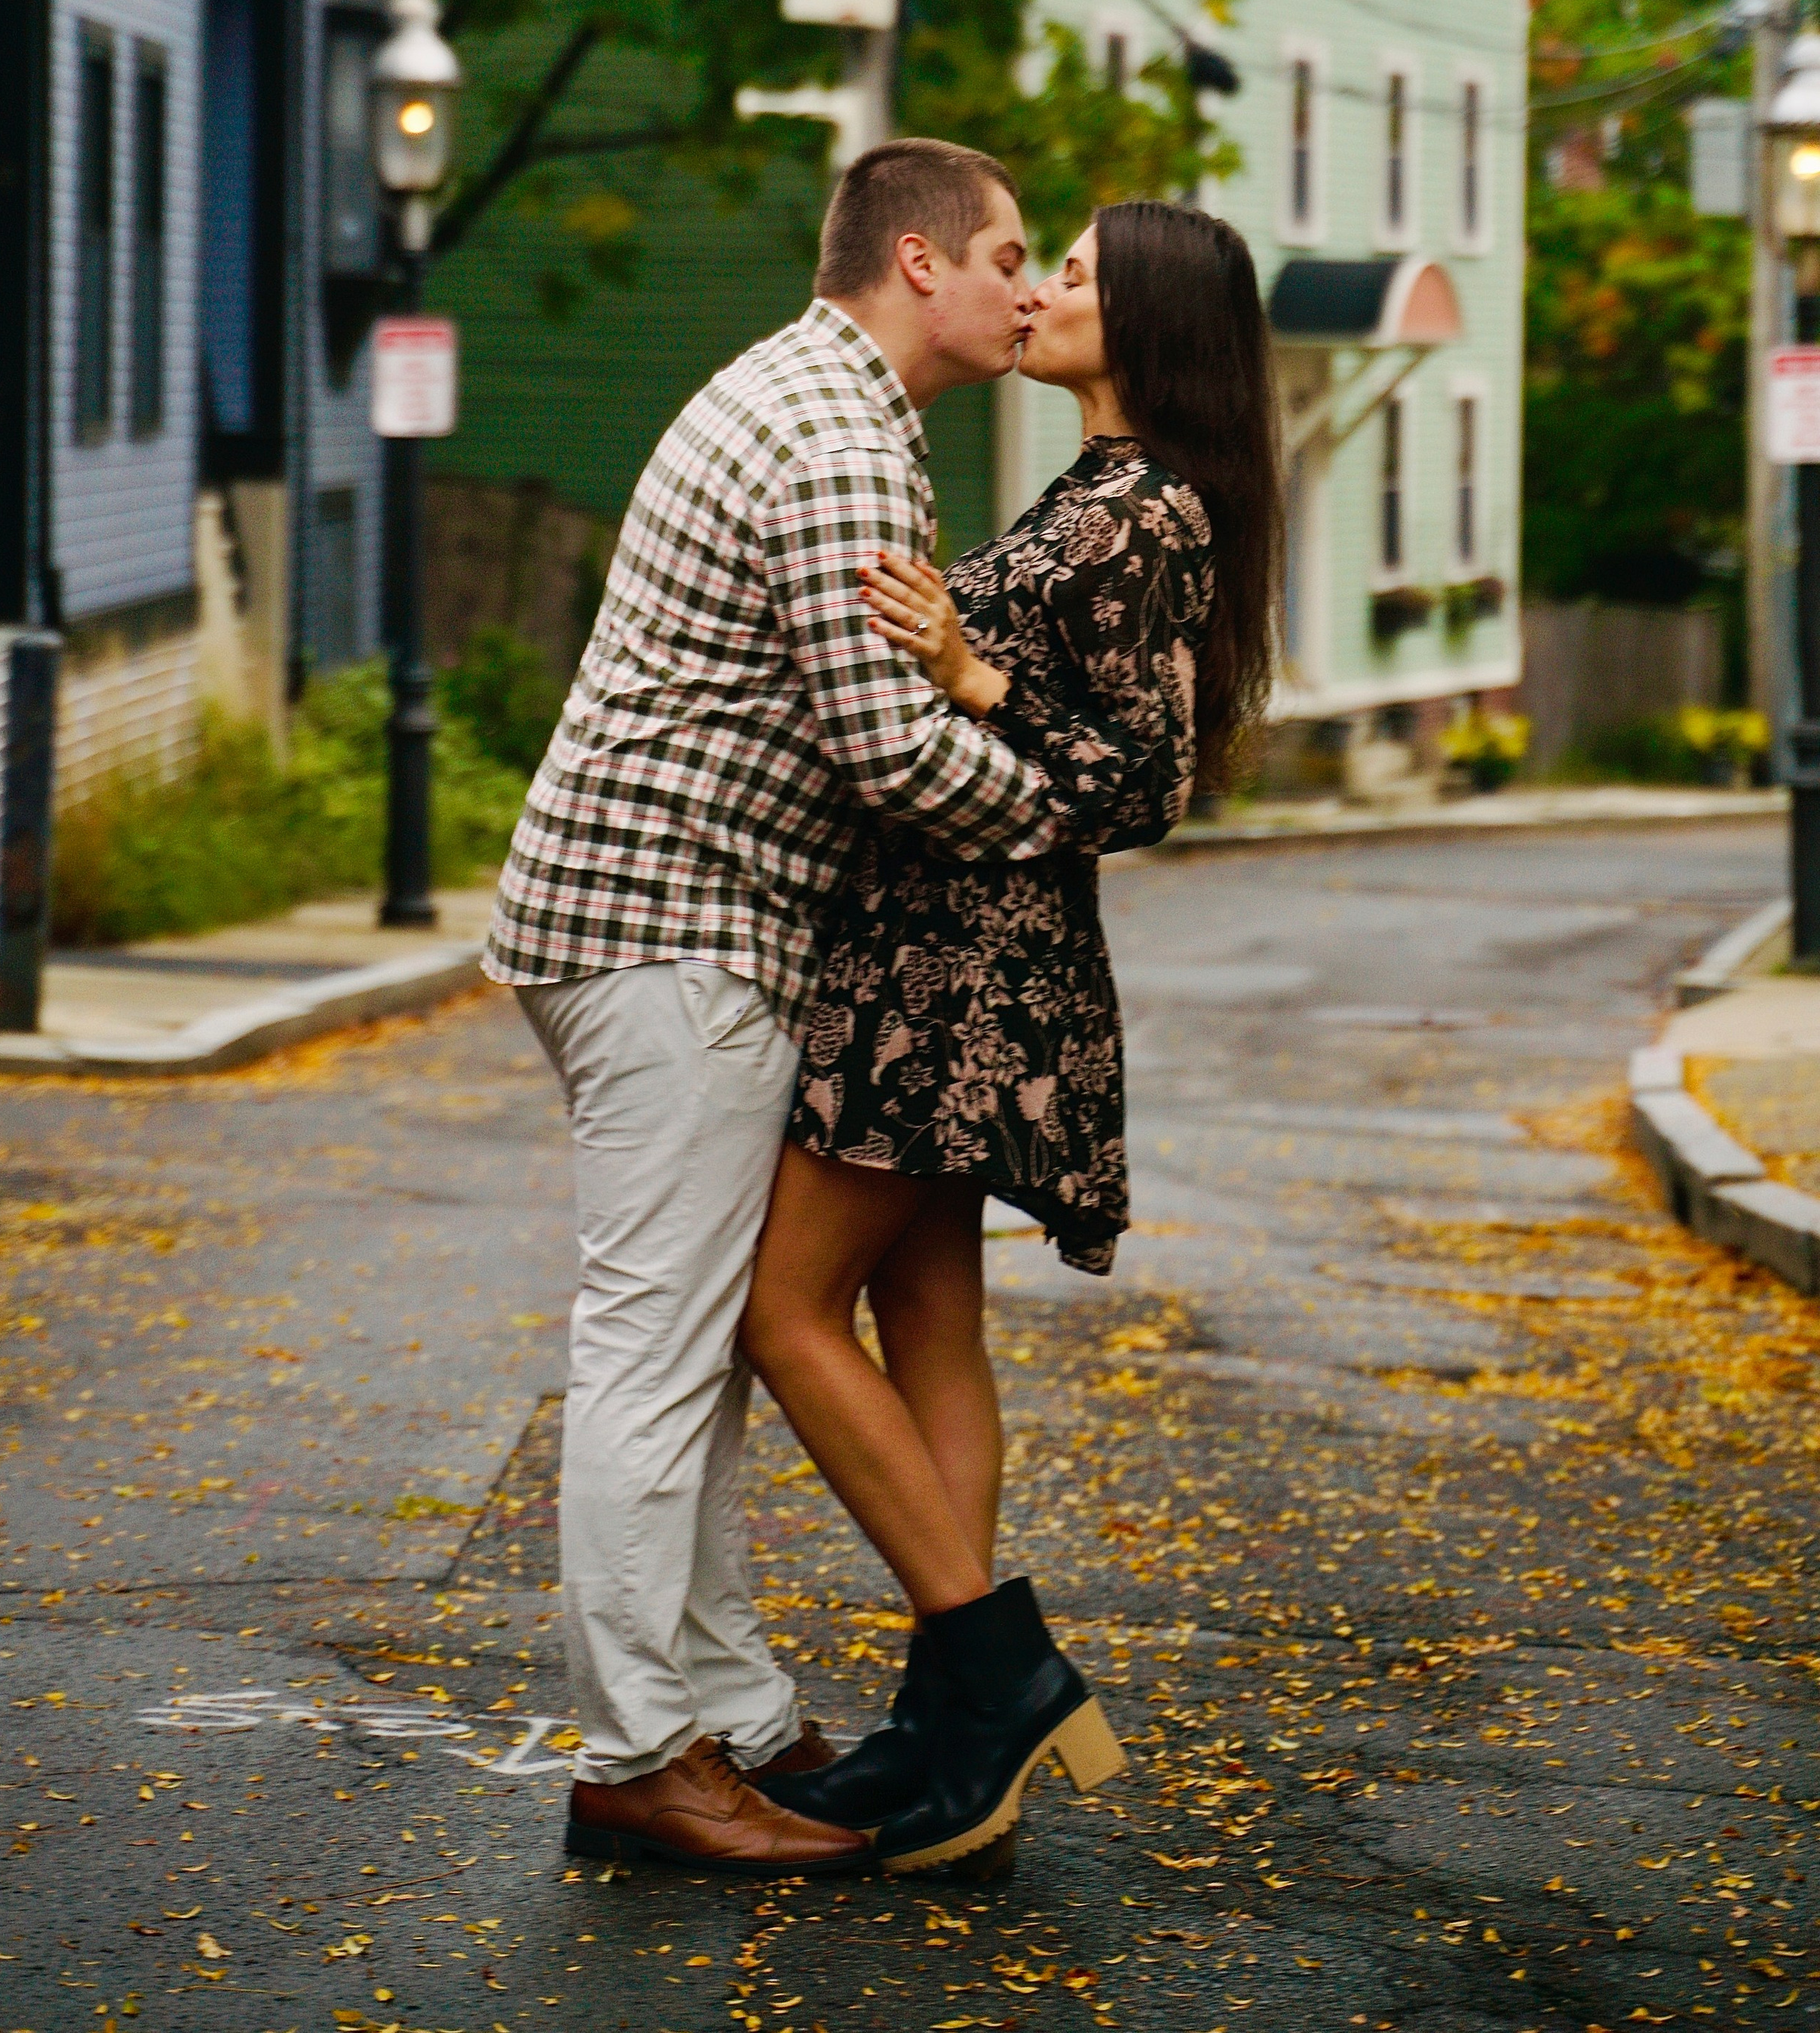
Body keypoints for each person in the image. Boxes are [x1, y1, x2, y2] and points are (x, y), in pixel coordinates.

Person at [483, 137, 1068, 1872]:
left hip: (678, 923)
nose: (1030, 288)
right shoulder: (827, 435)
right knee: (653, 1356)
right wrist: (1062, 801)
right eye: (1010, 256)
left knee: (699, 1351)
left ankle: (731, 1718)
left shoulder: (844, 409)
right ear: (915, 260)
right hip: (670, 930)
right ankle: (635, 1751)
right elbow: (880, 740)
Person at [742, 200, 1282, 1875]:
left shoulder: (1146, 514)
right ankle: (944, 1725)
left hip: (961, 970)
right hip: (948, 946)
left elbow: (1140, 785)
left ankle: (992, 1667)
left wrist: (974, 676)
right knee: (928, 1319)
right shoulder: (1097, 492)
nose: (1041, 291)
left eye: (1078, 279)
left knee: (778, 1304)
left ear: (1151, 328)